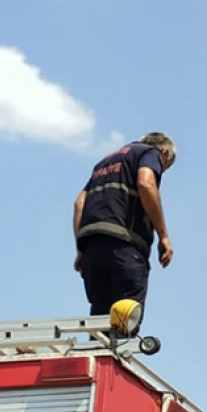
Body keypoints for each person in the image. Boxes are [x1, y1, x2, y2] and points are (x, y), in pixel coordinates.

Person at [72, 133, 176, 318]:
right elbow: (145, 183)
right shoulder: (150, 153)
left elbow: (80, 202)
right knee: (126, 316)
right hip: (125, 245)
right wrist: (163, 236)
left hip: (92, 248)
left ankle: (98, 347)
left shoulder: (104, 162)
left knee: (100, 319)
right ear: (165, 153)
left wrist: (81, 250)